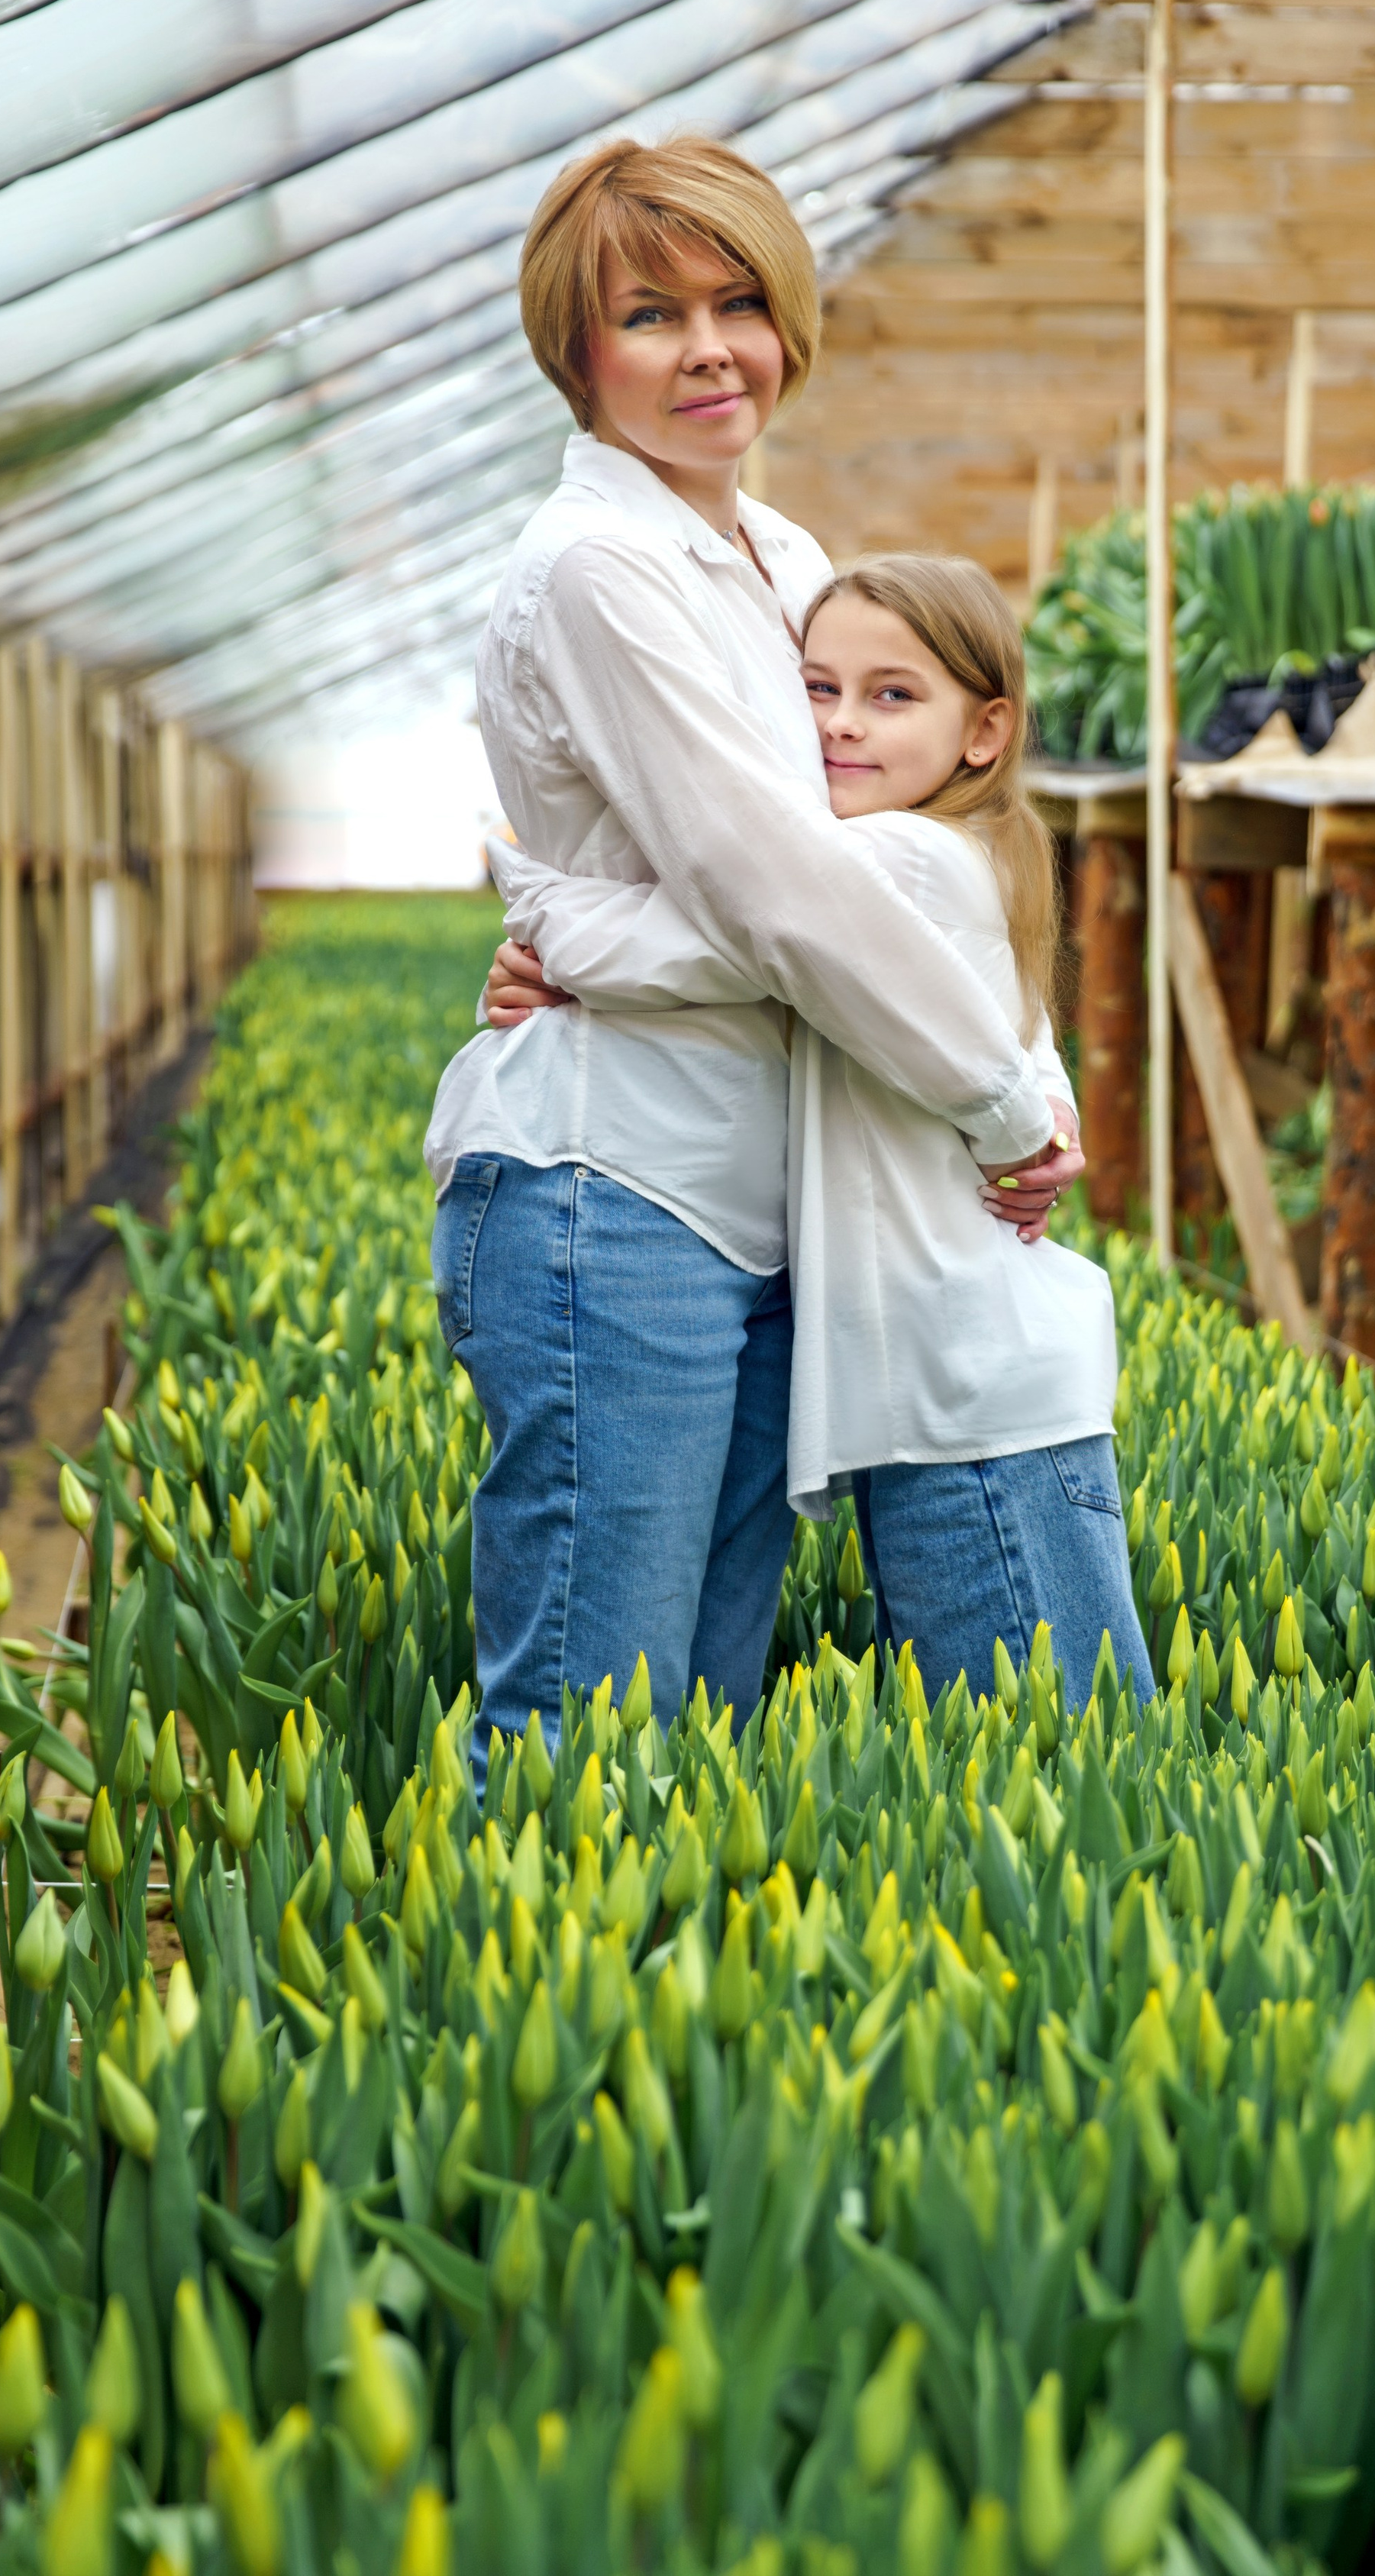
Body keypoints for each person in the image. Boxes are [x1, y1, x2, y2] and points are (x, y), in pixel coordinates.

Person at [424, 135, 1082, 1762]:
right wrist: (999, 1101)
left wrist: (579, 922)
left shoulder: (783, 562)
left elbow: (878, 868)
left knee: (697, 1716)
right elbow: (782, 896)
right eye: (649, 314)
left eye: (738, 302)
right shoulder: (596, 567)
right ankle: (525, 2017)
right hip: (608, 1193)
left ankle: (640, 2010)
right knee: (593, 1719)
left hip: (756, 1201)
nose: (709, 347)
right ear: (576, 353)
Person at [489, 554, 1154, 1704]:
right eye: (816, 687)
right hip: (961, 1406)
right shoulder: (961, 850)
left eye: (894, 695)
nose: (842, 724)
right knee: (1043, 1795)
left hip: (972, 1411)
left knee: (1064, 1790)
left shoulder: (889, 858)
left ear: (985, 731)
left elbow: (733, 932)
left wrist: (541, 913)